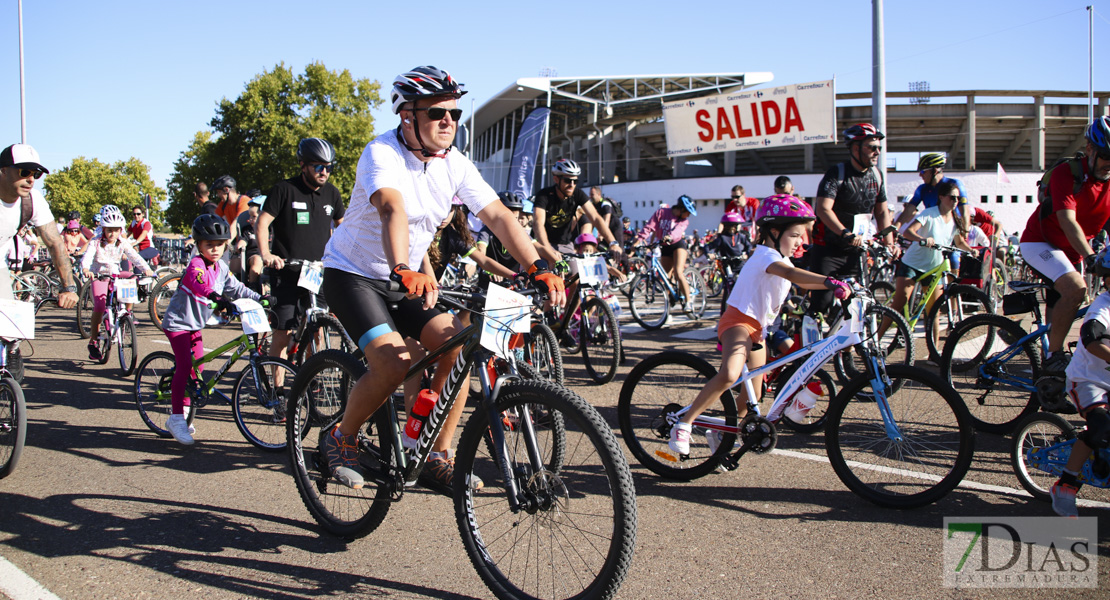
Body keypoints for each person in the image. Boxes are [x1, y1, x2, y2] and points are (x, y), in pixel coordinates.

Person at [318, 66, 565, 492]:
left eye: (453, 113)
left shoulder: (455, 164)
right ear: (407, 117)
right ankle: (340, 436)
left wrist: (537, 266)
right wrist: (402, 267)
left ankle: (436, 454)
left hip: (405, 278)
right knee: (394, 362)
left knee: (459, 345)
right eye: (436, 113)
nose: (448, 121)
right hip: (353, 274)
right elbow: (392, 208)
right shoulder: (382, 154)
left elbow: (499, 216)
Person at [668, 195, 850, 453]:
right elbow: (791, 275)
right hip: (738, 323)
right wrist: (829, 281)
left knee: (752, 396)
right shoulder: (765, 255)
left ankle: (720, 435)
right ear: (774, 232)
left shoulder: (781, 258)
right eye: (795, 235)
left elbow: (800, 280)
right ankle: (684, 423)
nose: (800, 242)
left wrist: (834, 283)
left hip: (758, 331)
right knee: (730, 374)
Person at [161, 214, 263, 444]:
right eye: (209, 245)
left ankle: (187, 412)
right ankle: (176, 418)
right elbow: (200, 283)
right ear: (199, 245)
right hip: (178, 323)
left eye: (219, 245)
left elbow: (237, 288)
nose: (215, 249)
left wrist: (261, 298)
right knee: (185, 366)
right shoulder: (196, 264)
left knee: (199, 367)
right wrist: (216, 296)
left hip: (195, 324)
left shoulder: (222, 267)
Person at [1019, 116, 1110, 375]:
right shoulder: (1067, 174)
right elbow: (1067, 221)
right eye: (1105, 155)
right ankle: (1053, 357)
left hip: (1071, 250)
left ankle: (1054, 376)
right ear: (1090, 149)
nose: (1109, 164)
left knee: (1069, 298)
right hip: (1039, 242)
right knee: (1076, 289)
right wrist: (1091, 256)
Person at [256, 137, 347, 371]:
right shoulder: (284, 190)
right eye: (319, 166)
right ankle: (278, 390)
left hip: (316, 273)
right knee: (282, 334)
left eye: (329, 167)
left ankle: (310, 379)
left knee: (316, 329)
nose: (324, 172)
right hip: (286, 272)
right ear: (302, 164)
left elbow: (344, 228)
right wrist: (266, 254)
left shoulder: (332, 194)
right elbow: (263, 222)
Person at [808, 123, 896, 317]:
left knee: (857, 305)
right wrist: (845, 233)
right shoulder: (837, 174)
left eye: (879, 148)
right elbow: (823, 209)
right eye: (872, 147)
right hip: (828, 250)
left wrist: (889, 243)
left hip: (857, 251)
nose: (877, 152)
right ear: (855, 148)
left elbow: (881, 212)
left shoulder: (877, 176)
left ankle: (846, 346)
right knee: (820, 306)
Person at [878, 181, 972, 354]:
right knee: (900, 302)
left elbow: (959, 242)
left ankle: (933, 353)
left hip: (934, 268)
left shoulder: (954, 220)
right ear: (941, 197)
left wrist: (971, 250)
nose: (955, 201)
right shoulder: (929, 214)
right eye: (952, 197)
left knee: (934, 311)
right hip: (912, 264)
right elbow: (907, 232)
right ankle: (875, 342)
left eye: (958, 198)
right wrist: (922, 239)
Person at [1052, 248, 1110, 517]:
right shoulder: (1103, 308)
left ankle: (1101, 456)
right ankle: (1066, 484)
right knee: (1101, 424)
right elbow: (1091, 338)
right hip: (1088, 379)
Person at [0, 144, 78, 308]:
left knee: (10, 327)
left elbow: (54, 243)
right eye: (24, 172)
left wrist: (69, 288)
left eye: (36, 174)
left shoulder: (32, 200)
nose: (31, 180)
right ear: (4, 170)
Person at [80, 206, 154, 360]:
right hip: (100, 275)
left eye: (116, 229)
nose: (112, 233)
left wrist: (146, 269)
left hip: (116, 273)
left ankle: (127, 313)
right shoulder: (95, 241)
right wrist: (86, 269)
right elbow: (87, 257)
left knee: (132, 278)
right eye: (109, 230)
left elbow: (134, 257)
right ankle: (93, 341)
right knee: (100, 306)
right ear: (103, 229)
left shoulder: (122, 242)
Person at [532, 158, 622, 264]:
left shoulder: (577, 194)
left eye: (575, 181)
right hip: (543, 243)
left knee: (575, 276)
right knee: (543, 275)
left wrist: (613, 243)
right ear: (556, 179)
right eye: (567, 180)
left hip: (564, 244)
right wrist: (547, 249)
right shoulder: (544, 195)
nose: (572, 184)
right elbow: (538, 223)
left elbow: (595, 217)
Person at [633, 195, 699, 311]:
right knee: (666, 278)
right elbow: (649, 226)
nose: (688, 216)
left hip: (677, 245)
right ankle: (668, 308)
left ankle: (688, 301)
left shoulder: (684, 221)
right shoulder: (662, 212)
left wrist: (670, 237)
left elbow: (678, 232)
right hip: (664, 247)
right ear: (682, 209)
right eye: (688, 212)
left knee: (678, 272)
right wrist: (639, 240)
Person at [895, 153, 970, 233]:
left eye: (923, 171)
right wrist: (895, 228)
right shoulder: (922, 189)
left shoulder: (954, 184)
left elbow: (965, 211)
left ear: (935, 171)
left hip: (952, 230)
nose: (920, 175)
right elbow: (908, 211)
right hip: (934, 231)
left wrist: (965, 232)